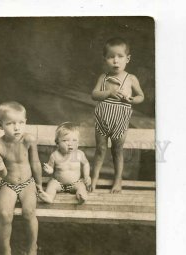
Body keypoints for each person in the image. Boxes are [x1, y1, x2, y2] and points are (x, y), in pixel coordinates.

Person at [0, 101, 48, 255]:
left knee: (29, 212)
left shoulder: (28, 140)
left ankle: (32, 249)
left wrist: (39, 184)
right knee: (5, 214)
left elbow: (35, 163)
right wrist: (0, 170)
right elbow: (3, 174)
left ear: (25, 122)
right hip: (8, 183)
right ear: (0, 125)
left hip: (28, 183)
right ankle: (5, 250)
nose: (17, 128)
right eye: (10, 123)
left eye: (21, 123)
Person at [90, 37, 144, 193]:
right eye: (111, 57)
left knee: (117, 150)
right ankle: (94, 179)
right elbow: (94, 94)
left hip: (120, 118)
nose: (115, 61)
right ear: (105, 59)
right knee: (100, 149)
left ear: (127, 59)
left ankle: (118, 180)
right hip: (103, 117)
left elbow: (141, 96)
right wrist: (109, 93)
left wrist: (132, 99)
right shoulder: (103, 77)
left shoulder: (131, 78)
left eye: (120, 56)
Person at [40, 122, 91, 204]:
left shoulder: (79, 154)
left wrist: (86, 176)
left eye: (74, 140)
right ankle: (49, 196)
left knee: (81, 186)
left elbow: (86, 164)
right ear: (57, 143)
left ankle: (81, 196)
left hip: (75, 183)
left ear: (78, 143)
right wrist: (50, 170)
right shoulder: (55, 155)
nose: (70, 143)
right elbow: (51, 168)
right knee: (52, 184)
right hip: (58, 183)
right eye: (65, 140)